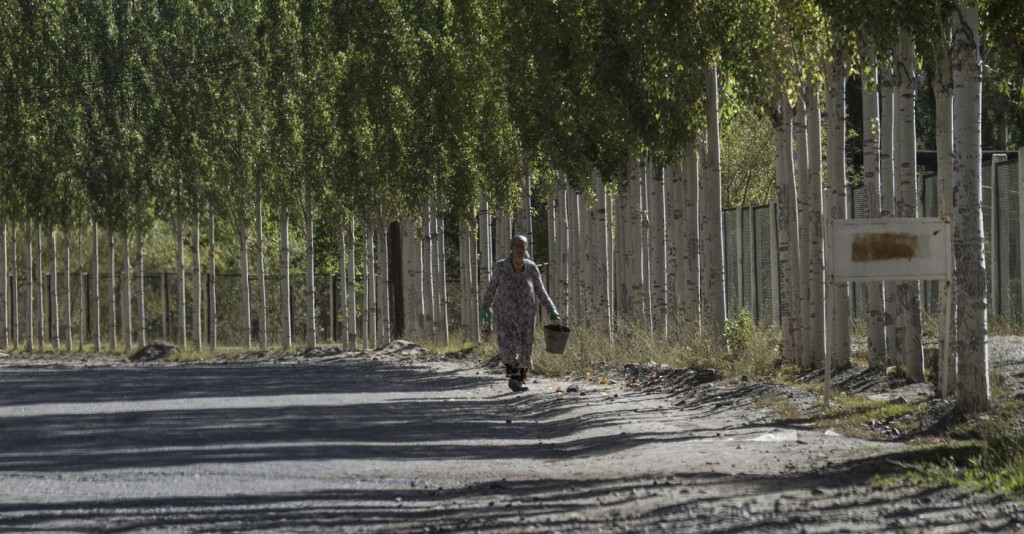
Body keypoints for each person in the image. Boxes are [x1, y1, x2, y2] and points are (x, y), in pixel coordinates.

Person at [480, 235, 560, 392]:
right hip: (506, 315)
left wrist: (551, 309)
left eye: (522, 246)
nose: (519, 249)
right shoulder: (501, 267)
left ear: (526, 249)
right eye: (516, 245)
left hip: (527, 316)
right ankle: (514, 376)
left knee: (526, 347)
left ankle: (521, 379)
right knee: (508, 345)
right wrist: (485, 307)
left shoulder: (531, 268)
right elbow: (492, 288)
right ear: (511, 248)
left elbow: (540, 290)